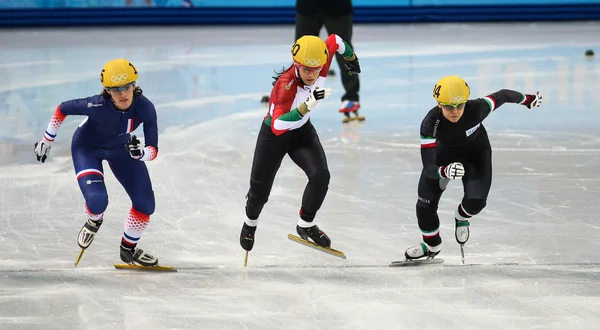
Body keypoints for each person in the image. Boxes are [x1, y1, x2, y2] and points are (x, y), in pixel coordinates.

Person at [33, 58, 160, 267]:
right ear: (107, 91)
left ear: (134, 85)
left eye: (127, 87)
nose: (122, 94)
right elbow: (62, 109)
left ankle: (128, 250)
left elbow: (153, 150)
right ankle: (94, 219)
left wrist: (139, 154)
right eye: (115, 89)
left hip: (121, 148)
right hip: (87, 147)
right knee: (98, 201)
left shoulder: (146, 108)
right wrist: (47, 138)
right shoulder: (96, 104)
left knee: (146, 204)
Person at [240, 34, 361, 252]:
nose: (312, 74)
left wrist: (351, 59)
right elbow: (278, 125)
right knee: (259, 193)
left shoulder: (320, 64)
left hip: (301, 132)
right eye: (306, 69)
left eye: (316, 70)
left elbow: (334, 41)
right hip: (274, 136)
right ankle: (250, 224)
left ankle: (305, 224)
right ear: (296, 64)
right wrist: (308, 105)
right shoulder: (284, 85)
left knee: (321, 176)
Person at [404, 76, 542, 260]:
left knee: (476, 203)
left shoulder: (477, 109)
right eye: (448, 107)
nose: (455, 111)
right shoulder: (430, 123)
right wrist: (444, 171)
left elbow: (503, 95)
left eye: (459, 106)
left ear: (466, 102)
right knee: (424, 206)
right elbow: (429, 167)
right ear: (439, 104)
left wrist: (527, 100)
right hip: (443, 156)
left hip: (475, 153)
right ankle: (431, 246)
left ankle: (461, 217)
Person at [295, 0, 363, 123]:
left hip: (337, 7)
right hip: (307, 7)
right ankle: (296, 97)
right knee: (301, 54)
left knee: (344, 50)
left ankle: (351, 97)